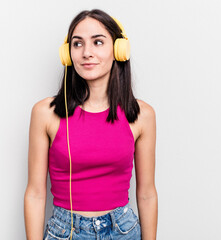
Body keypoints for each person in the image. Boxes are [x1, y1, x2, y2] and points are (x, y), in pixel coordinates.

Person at [24, 9, 157, 240]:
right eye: (77, 44)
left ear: (118, 50)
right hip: (66, 231)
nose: (87, 52)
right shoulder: (45, 114)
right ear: (67, 54)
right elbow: (35, 194)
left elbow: (146, 194)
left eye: (97, 42)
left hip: (123, 230)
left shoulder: (141, 115)